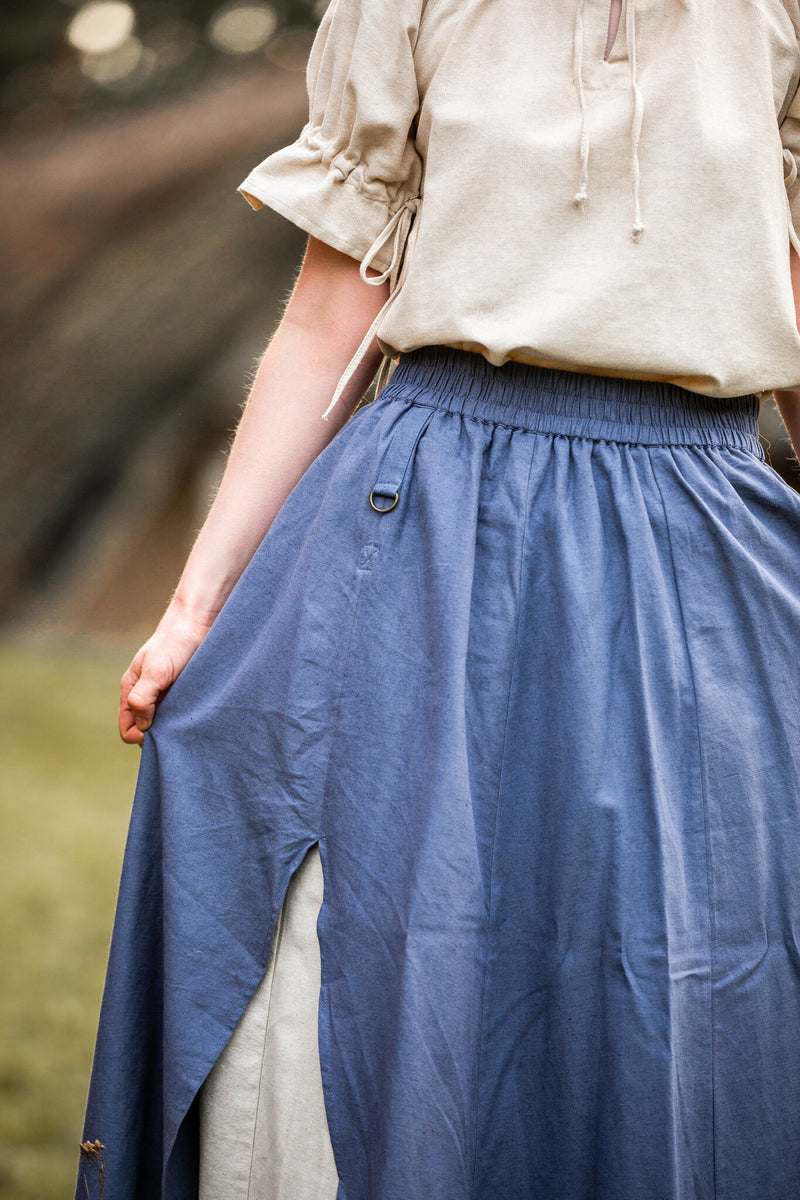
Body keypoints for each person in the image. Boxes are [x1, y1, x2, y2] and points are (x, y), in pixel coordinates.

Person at [77, 1, 800, 1198]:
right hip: (426, 512)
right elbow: (327, 312)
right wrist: (195, 603)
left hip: (695, 525)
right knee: (378, 921)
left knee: (684, 942)